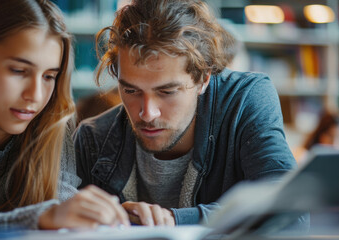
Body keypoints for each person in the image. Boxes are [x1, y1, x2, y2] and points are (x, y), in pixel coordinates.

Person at [74, 0, 298, 227]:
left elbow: (289, 209)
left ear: (203, 79)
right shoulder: (92, 139)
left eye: (167, 91)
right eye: (131, 90)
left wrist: (175, 220)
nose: (148, 113)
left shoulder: (244, 100)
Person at [0, 0, 129, 230]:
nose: (35, 95)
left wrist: (110, 216)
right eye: (19, 71)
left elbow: (62, 210)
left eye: (49, 76)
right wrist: (42, 217)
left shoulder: (55, 126)